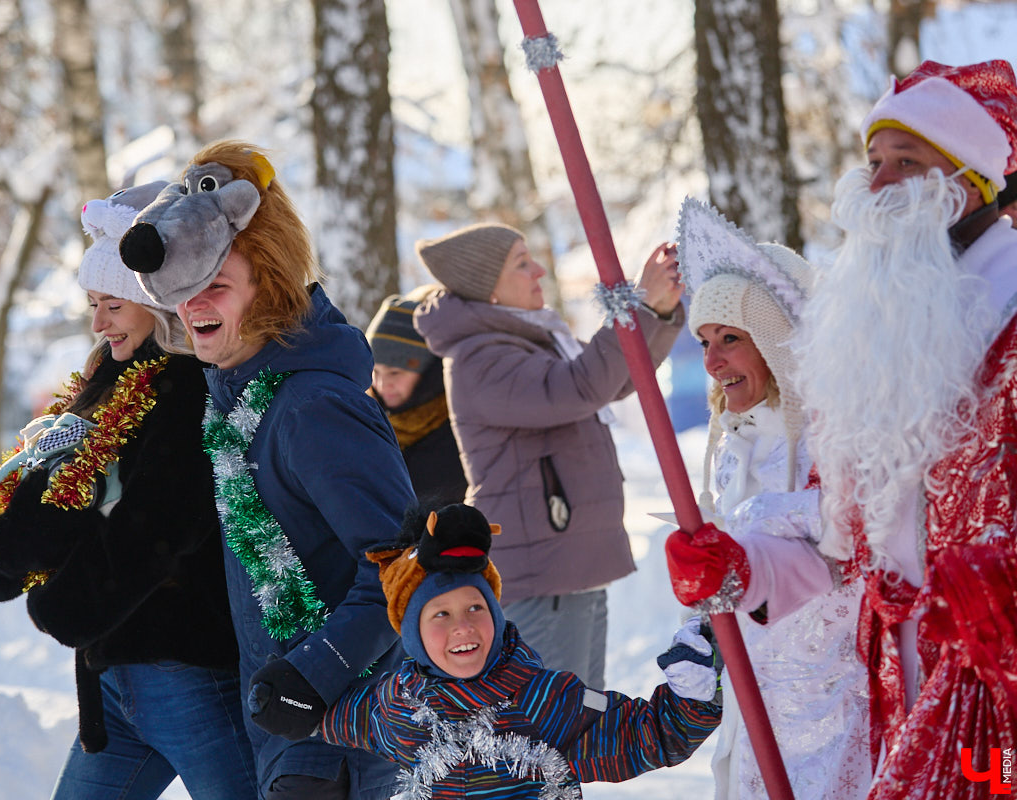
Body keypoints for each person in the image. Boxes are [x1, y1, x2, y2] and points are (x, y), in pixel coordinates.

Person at [664, 60, 1017, 799]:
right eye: (873, 161)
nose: (879, 182)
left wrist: (992, 588)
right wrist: (742, 565)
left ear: (969, 184)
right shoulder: (875, 331)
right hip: (902, 681)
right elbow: (841, 545)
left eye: (908, 161)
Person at [117, 140, 416, 800]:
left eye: (217, 285)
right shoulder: (234, 399)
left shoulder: (311, 407)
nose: (196, 304)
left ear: (270, 287)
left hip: (342, 741)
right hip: (288, 736)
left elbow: (401, 563)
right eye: (188, 288)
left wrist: (314, 672)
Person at [0, 182, 256, 800]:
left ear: (155, 306)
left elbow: (159, 525)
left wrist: (64, 605)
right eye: (93, 304)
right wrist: (13, 544)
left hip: (183, 669)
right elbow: (60, 500)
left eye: (113, 305)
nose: (98, 323)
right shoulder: (105, 384)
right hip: (116, 680)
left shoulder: (184, 386)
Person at [411, 223, 684, 688]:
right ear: (488, 289)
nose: (538, 269)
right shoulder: (483, 359)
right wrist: (633, 305)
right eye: (521, 263)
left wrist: (653, 313)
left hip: (565, 566)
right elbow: (580, 386)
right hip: (543, 573)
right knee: (551, 735)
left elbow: (613, 379)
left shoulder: (526, 340)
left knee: (575, 724)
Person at [319, 502, 722, 799]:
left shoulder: (546, 702)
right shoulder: (399, 705)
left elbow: (646, 735)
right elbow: (345, 715)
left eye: (476, 607)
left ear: (496, 613)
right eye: (440, 614)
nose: (462, 626)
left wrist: (690, 699)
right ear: (412, 635)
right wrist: (296, 696)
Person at [674, 197, 872, 800]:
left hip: (835, 704)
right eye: (704, 341)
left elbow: (856, 537)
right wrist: (696, 631)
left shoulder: (838, 434)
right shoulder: (737, 440)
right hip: (755, 705)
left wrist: (762, 528)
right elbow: (719, 557)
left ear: (778, 340)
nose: (712, 362)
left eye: (730, 338)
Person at [364, 284, 468, 504]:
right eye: (376, 372)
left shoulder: (459, 428)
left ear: (429, 372)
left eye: (396, 372)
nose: (383, 384)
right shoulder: (365, 423)